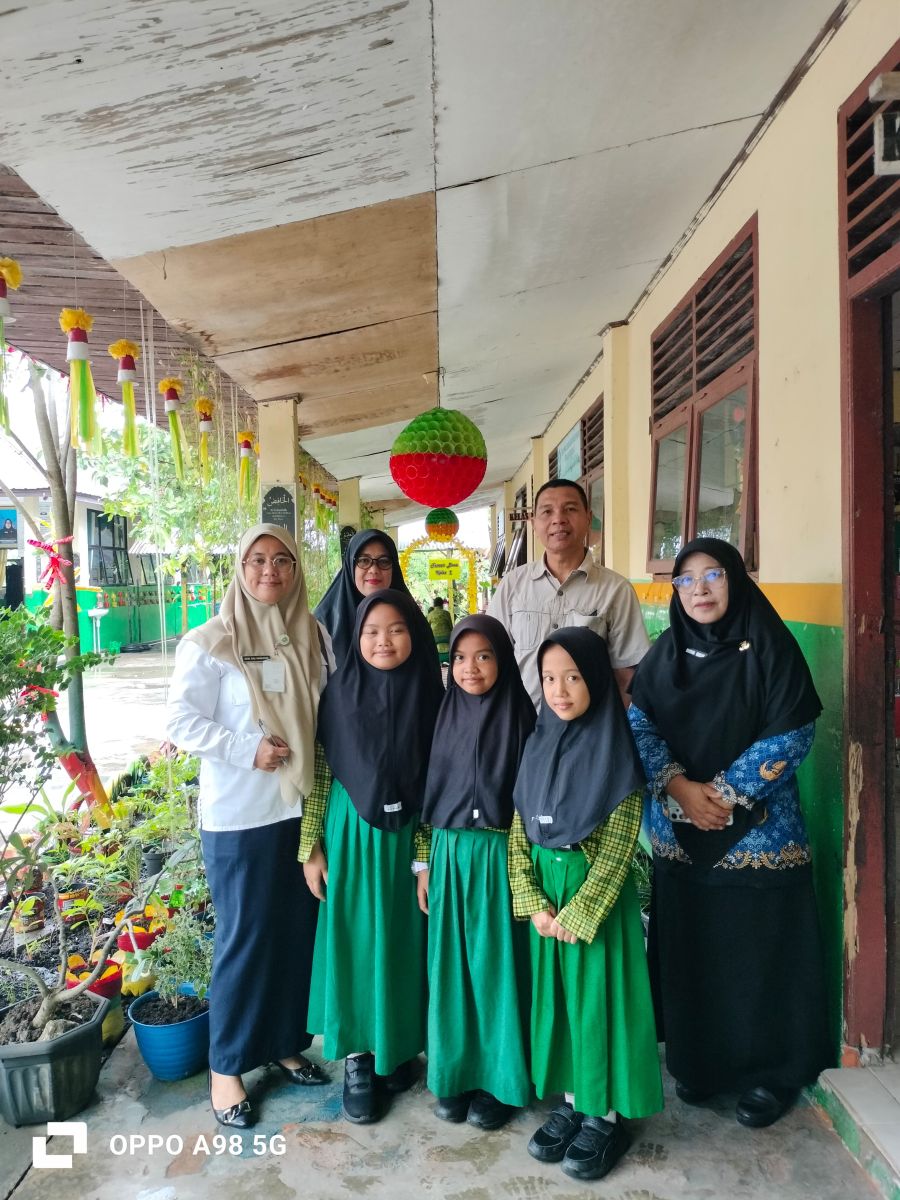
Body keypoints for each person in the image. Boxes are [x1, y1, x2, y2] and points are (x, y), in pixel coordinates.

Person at [628, 537, 829, 1129]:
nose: (699, 589)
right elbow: (639, 725)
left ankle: (772, 1073)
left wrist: (723, 795)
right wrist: (680, 788)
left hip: (759, 835)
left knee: (758, 952)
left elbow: (793, 732)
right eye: (686, 580)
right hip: (681, 833)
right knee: (696, 952)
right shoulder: (664, 655)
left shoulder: (772, 647)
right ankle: (700, 1063)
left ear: (735, 579)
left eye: (712, 575)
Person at [167, 523, 333, 1129]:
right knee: (245, 939)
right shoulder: (211, 642)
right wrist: (246, 749)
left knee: (294, 935)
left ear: (295, 569)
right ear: (240, 568)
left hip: (302, 813)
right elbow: (181, 722)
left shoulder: (314, 635)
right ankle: (227, 1067)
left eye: (282, 560)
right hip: (240, 817)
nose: (270, 570)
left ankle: (284, 1043)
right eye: (257, 559)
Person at [509, 628, 663, 1182]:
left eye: (573, 677)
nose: (560, 690)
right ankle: (575, 1100)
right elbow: (518, 828)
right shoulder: (536, 744)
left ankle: (604, 1114)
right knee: (561, 1004)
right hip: (547, 898)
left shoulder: (616, 753)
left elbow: (619, 847)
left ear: (596, 679)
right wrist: (531, 900)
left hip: (591, 899)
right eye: (549, 678)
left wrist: (579, 912)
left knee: (597, 1003)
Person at [301, 589, 444, 1124]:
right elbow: (320, 773)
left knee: (403, 942)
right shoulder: (338, 695)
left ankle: (397, 1047)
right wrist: (311, 847)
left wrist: (424, 857)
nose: (384, 641)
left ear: (415, 635)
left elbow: (440, 783)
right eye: (372, 632)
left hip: (407, 840)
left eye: (397, 630)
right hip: (351, 837)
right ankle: (359, 1057)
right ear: (356, 637)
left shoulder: (432, 697)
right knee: (356, 941)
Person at [417, 614, 536, 1130]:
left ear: (502, 660)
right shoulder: (443, 717)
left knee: (494, 969)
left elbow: (531, 803)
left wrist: (521, 869)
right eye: (460, 658)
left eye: (484, 656)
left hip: (497, 856)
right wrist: (423, 864)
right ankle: (455, 1074)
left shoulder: (524, 718)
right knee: (452, 969)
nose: (470, 668)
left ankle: (500, 1082)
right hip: (448, 857)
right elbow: (428, 795)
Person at [487, 479, 649, 707]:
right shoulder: (512, 585)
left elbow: (626, 673)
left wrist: (609, 724)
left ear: (588, 518)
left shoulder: (616, 590)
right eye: (547, 511)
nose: (558, 519)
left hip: (589, 724)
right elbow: (492, 656)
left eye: (570, 509)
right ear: (533, 523)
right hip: (522, 722)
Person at [314, 529, 434, 666]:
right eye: (364, 560)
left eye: (384, 561)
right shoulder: (324, 622)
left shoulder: (412, 618)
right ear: (350, 565)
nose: (374, 570)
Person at [426, 595, 454, 662]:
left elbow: (427, 629)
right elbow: (451, 627)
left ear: (434, 605)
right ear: (442, 604)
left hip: (435, 638)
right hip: (447, 638)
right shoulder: (446, 613)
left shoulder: (430, 615)